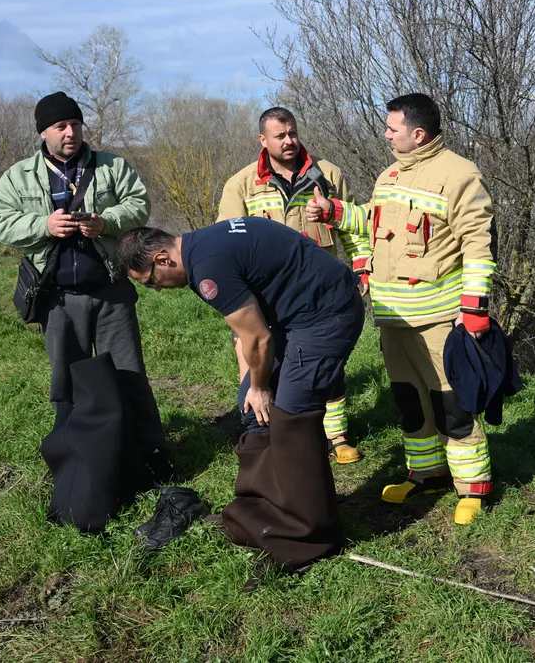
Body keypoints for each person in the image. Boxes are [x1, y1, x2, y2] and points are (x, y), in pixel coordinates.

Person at [116, 219, 365, 570]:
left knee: (293, 412)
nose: (156, 289)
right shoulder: (199, 250)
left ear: (162, 259)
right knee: (251, 407)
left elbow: (259, 338)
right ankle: (267, 508)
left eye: (150, 281)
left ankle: (309, 534)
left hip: (325, 315)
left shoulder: (207, 266)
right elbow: (242, 331)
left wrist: (263, 387)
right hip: (290, 318)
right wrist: (250, 388)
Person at [307, 92, 497, 525]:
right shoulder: (389, 174)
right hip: (392, 316)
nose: (386, 134)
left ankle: (472, 488)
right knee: (411, 401)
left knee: (452, 403)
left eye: (392, 128)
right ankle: (426, 474)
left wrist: (474, 309)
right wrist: (334, 211)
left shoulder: (461, 175)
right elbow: (374, 222)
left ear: (418, 133)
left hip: (439, 318)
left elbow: (479, 247)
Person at [0, 91, 177, 524]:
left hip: (111, 290)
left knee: (130, 377)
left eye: (75, 124)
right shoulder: (20, 177)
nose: (70, 132)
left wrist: (106, 222)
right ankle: (73, 462)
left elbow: (139, 204)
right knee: (68, 386)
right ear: (43, 132)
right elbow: (0, 220)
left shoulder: (111, 166)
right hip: (57, 298)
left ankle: (151, 455)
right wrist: (44, 225)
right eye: (60, 126)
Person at [217, 107, 371, 464]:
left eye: (293, 133)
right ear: (262, 140)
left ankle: (336, 436)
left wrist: (362, 268)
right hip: (266, 297)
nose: (289, 141)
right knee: (262, 365)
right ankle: (266, 435)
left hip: (319, 294)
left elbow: (352, 227)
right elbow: (225, 244)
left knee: (326, 362)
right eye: (280, 136)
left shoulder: (327, 174)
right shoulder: (241, 184)